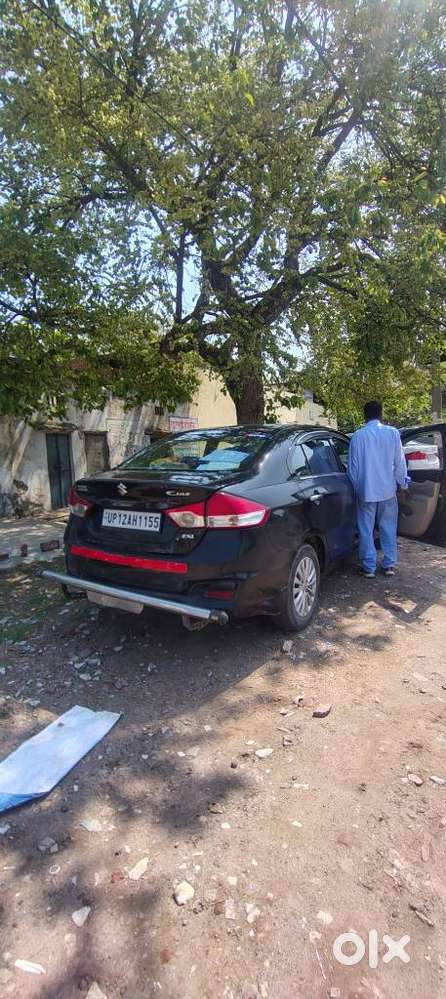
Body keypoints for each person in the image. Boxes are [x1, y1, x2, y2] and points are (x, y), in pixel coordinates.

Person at [348, 401, 410, 578]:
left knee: (366, 529)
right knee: (388, 527)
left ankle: (369, 567)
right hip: (387, 490)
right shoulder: (392, 433)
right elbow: (400, 463)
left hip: (366, 491)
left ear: (364, 415)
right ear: (381, 413)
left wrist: (356, 489)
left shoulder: (358, 436)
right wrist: (403, 485)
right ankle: (389, 564)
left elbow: (353, 468)